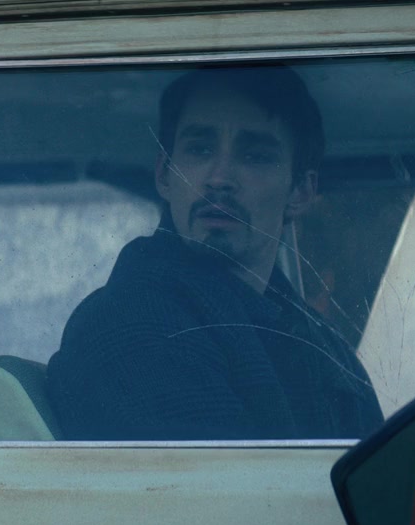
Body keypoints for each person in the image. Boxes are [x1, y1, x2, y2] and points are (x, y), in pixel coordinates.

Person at [46, 64, 384, 441]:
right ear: (164, 175)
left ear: (300, 192)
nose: (219, 178)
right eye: (200, 149)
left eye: (255, 155)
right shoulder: (133, 322)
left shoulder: (321, 344)